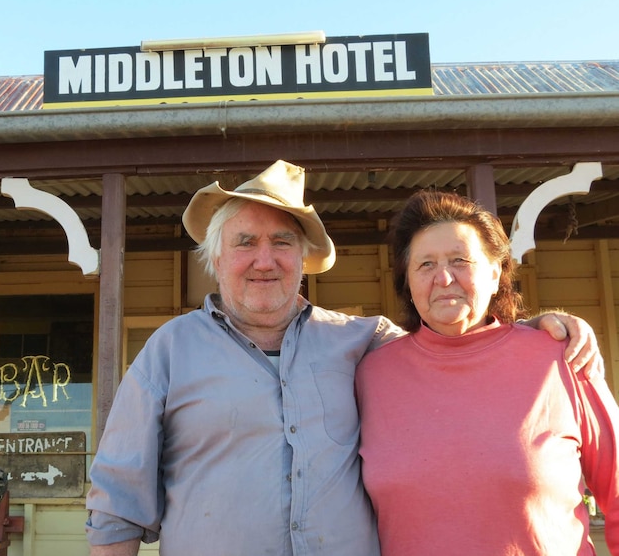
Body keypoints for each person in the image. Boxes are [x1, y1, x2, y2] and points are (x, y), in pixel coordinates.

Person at [86, 160, 601, 556]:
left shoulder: (364, 341)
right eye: (246, 242)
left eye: (282, 242)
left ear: (303, 261)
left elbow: (452, 345)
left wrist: (529, 332)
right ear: (217, 258)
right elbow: (118, 502)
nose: (265, 260)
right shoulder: (169, 350)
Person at [355, 189, 619, 555]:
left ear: (496, 273)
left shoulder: (562, 359)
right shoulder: (369, 376)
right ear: (407, 283)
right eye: (425, 264)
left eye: (460, 260)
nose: (444, 278)